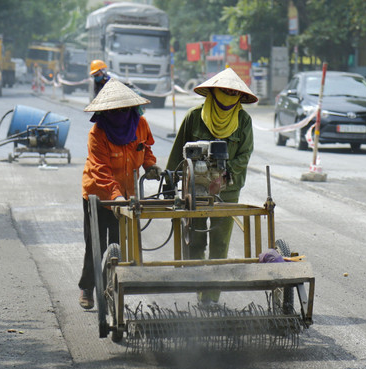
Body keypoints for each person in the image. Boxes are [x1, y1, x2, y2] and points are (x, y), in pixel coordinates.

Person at [166, 67, 257, 305]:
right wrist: (169, 185)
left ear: (240, 96)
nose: (227, 95)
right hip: (194, 190)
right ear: (213, 92)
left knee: (220, 243)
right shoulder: (194, 116)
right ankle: (199, 291)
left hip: (227, 192)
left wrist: (224, 178)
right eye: (223, 90)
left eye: (232, 92)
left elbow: (244, 156)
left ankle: (211, 298)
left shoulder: (244, 121)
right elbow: (177, 154)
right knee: (195, 240)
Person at [79, 78, 162, 309]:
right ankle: (87, 287)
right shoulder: (98, 133)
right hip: (98, 194)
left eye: (124, 109)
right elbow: (100, 170)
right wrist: (115, 197)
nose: (120, 114)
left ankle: (113, 287)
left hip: (126, 196)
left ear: (131, 108)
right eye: (115, 110)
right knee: (95, 245)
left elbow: (145, 149)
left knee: (118, 243)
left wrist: (150, 165)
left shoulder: (140, 124)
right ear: (106, 111)